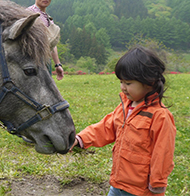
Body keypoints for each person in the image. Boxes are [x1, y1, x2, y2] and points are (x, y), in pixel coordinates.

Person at [70, 46, 176, 196]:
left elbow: (163, 153)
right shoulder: (125, 107)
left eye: (128, 83)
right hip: (117, 184)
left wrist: (157, 183)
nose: (123, 88)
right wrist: (80, 139)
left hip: (141, 190)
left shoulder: (160, 116)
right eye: (121, 82)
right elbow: (105, 127)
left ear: (149, 82)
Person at [27, 0, 64, 81]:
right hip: (32, 63)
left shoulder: (49, 19)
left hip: (45, 62)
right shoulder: (29, 15)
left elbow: (51, 45)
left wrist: (57, 64)